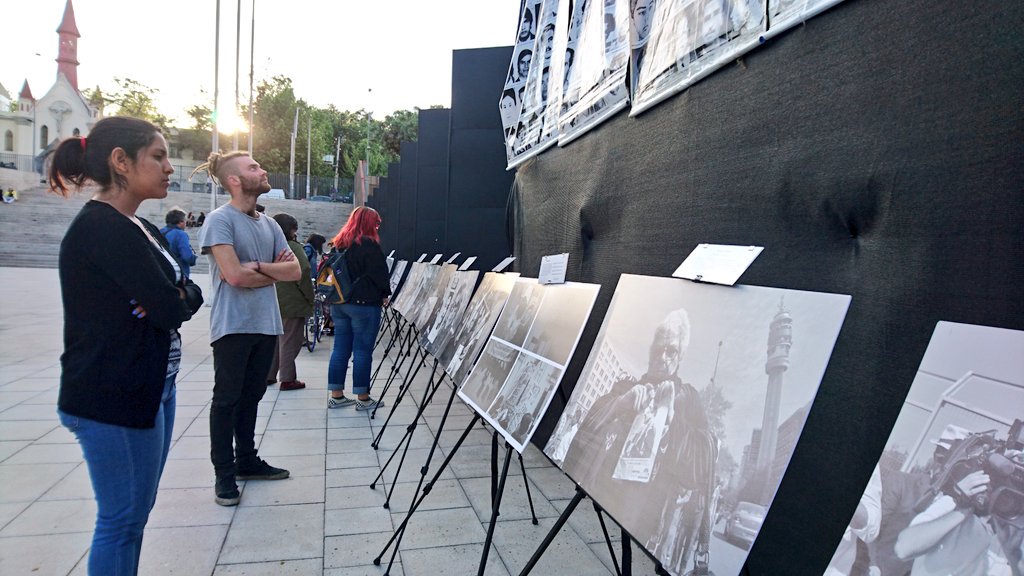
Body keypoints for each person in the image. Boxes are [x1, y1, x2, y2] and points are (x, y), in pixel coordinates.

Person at [49, 117, 204, 575]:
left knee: (136, 515)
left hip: (151, 385)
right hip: (110, 393)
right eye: (157, 156)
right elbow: (169, 306)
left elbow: (184, 288)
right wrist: (171, 297)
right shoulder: (103, 227)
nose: (169, 167)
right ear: (121, 161)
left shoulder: (140, 227)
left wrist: (173, 295)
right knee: (121, 520)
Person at [195, 151, 301, 506]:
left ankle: (247, 461)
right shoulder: (219, 221)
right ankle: (224, 475)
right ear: (234, 181)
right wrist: (269, 269)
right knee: (227, 400)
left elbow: (295, 273)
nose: (263, 169)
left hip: (266, 324)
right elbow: (233, 275)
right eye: (253, 167)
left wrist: (256, 265)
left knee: (252, 397)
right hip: (233, 326)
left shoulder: (269, 225)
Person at [894, 424, 1024, 575]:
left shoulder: (1017, 527)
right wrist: (963, 508)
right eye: (1011, 478)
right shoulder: (961, 499)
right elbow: (904, 548)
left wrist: (1013, 550)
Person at [326, 206, 392, 410]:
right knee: (362, 352)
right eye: (377, 223)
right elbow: (380, 274)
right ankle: (363, 398)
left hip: (339, 303)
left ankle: (336, 395)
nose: (378, 227)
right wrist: (384, 294)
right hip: (364, 305)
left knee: (340, 348)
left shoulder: (339, 243)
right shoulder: (369, 245)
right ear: (370, 223)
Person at [266, 212, 314, 391]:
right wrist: (310, 296)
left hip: (272, 297)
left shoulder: (270, 245)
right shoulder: (292, 246)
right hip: (292, 299)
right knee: (290, 341)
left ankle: (269, 374)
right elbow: (304, 270)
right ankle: (287, 378)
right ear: (291, 229)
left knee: (276, 340)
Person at [160, 207, 198, 278]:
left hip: (162, 273)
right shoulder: (181, 234)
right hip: (178, 275)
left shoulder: (160, 232)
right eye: (185, 221)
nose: (186, 223)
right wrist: (194, 258)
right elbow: (187, 257)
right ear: (180, 222)